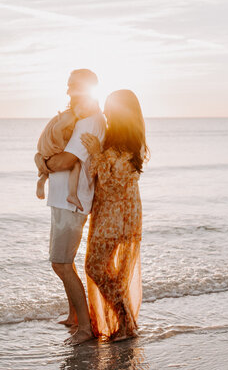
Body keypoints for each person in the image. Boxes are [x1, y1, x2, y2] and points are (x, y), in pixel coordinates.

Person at [34, 69, 106, 345]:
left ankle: (85, 328)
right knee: (63, 263)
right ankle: (74, 315)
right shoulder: (82, 119)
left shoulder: (91, 122)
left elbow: (66, 161)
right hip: (60, 198)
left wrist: (43, 163)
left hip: (71, 203)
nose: (68, 91)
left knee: (61, 263)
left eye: (72, 86)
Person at [81, 89, 148, 341]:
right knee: (103, 268)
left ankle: (125, 323)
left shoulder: (130, 146)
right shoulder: (113, 139)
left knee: (95, 267)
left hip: (118, 216)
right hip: (107, 212)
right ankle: (126, 323)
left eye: (110, 108)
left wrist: (97, 153)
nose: (107, 113)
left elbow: (112, 184)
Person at [35, 97, 98, 211]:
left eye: (87, 111)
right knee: (75, 164)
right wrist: (62, 148)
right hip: (51, 143)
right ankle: (72, 195)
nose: (84, 113)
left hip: (47, 144)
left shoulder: (72, 115)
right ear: (74, 105)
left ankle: (42, 180)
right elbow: (56, 130)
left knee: (53, 161)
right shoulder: (71, 115)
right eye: (82, 108)